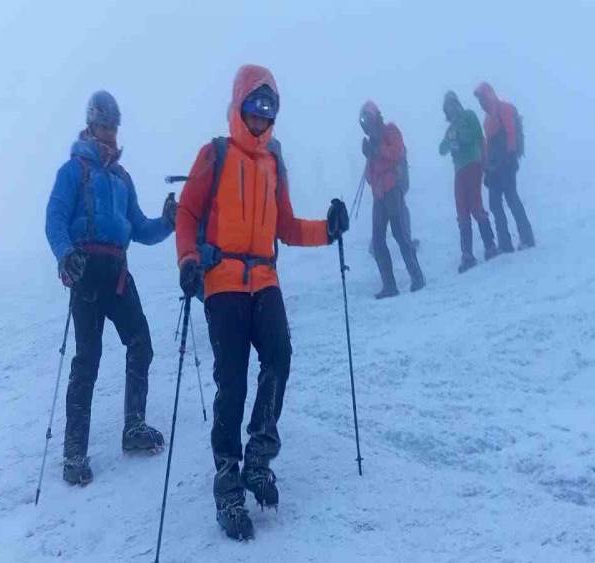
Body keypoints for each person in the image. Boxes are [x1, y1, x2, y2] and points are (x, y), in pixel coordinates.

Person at [176, 65, 349, 541]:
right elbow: (188, 212)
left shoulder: (274, 162)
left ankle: (258, 455)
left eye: (269, 106)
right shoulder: (215, 154)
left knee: (279, 358)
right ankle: (228, 480)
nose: (262, 113)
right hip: (223, 282)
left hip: (265, 280)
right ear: (239, 104)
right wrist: (189, 259)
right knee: (231, 381)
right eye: (255, 103)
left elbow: (286, 227)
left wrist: (328, 230)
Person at [45, 90, 177, 486]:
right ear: (90, 125)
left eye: (113, 127)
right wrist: (66, 254)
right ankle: (74, 454)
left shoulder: (121, 179)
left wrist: (168, 221)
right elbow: (54, 218)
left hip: (117, 271)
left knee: (141, 343)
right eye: (103, 126)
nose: (109, 134)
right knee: (87, 359)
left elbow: (139, 229)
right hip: (86, 271)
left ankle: (133, 427)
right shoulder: (73, 172)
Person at [360, 101, 425, 298]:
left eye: (368, 119)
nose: (367, 124)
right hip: (380, 195)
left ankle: (417, 277)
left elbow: (397, 153)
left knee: (400, 235)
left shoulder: (390, 131)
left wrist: (376, 150)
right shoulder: (373, 140)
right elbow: (370, 176)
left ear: (375, 117)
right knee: (378, 241)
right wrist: (370, 156)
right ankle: (390, 285)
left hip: (392, 191)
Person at [439, 90, 499, 272]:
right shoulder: (450, 129)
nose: (451, 110)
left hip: (473, 163)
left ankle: (489, 245)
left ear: (457, 104)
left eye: (452, 105)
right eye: (447, 108)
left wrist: (458, 139)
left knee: (474, 204)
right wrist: (450, 142)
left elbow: (476, 135)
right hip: (460, 170)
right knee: (462, 209)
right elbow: (441, 149)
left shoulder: (468, 116)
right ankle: (467, 253)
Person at [474, 82, 535, 251]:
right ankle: (505, 243)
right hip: (496, 167)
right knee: (495, 203)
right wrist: (486, 166)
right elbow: (487, 145)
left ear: (489, 95)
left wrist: (509, 157)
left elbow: (511, 133)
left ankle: (526, 237)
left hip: (506, 164)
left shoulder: (504, 109)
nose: (481, 102)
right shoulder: (488, 119)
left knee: (511, 199)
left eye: (482, 98)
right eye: (479, 99)